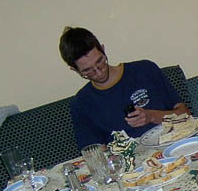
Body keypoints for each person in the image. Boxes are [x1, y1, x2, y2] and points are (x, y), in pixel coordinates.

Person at [59, 27, 189, 149]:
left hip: (173, 146)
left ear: (103, 50)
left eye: (100, 62)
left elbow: (185, 114)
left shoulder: (145, 70)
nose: (98, 72)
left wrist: (151, 116)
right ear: (75, 70)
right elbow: (95, 153)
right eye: (88, 71)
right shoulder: (81, 103)